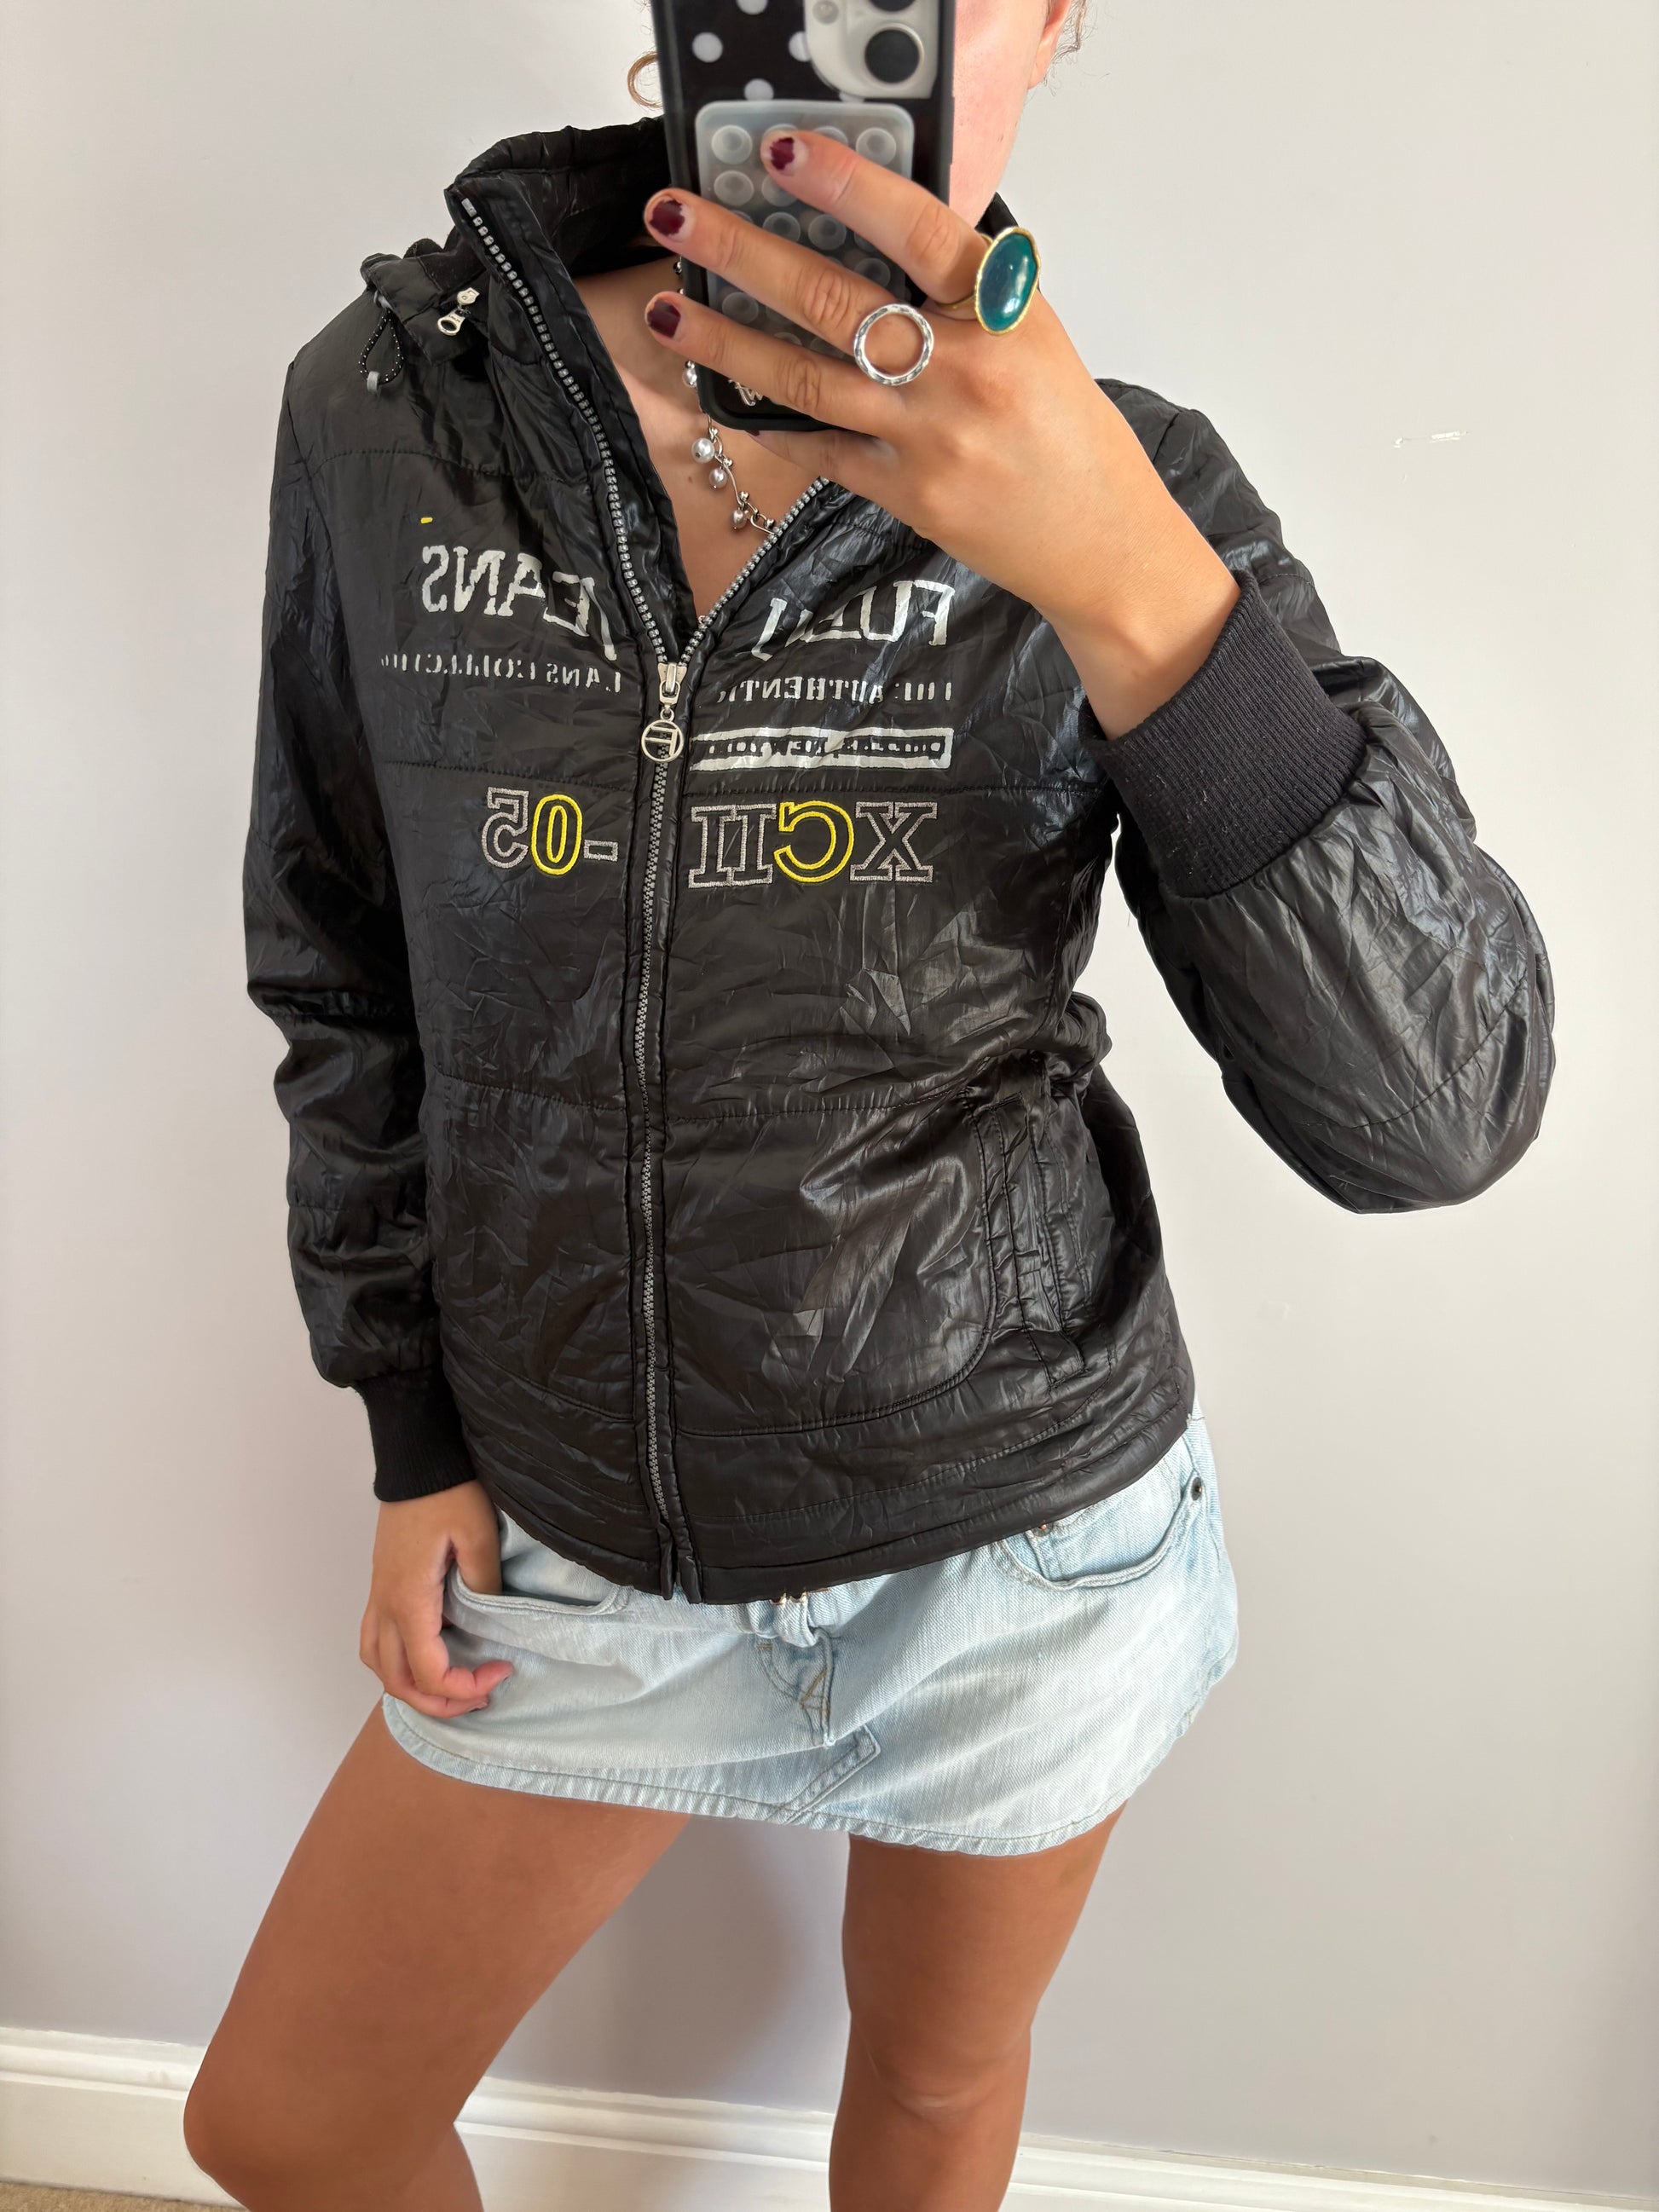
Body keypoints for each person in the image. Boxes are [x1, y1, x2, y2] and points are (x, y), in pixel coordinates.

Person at [184, 3, 1555, 2206]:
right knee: (293, 2123)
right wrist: (409, 1423)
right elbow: (343, 946)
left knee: (928, 2094)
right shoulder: (390, 409)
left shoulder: (1139, 486)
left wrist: (1129, 580)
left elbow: (1433, 1116)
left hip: (1021, 1531)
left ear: (1048, 21)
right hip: (580, 1524)